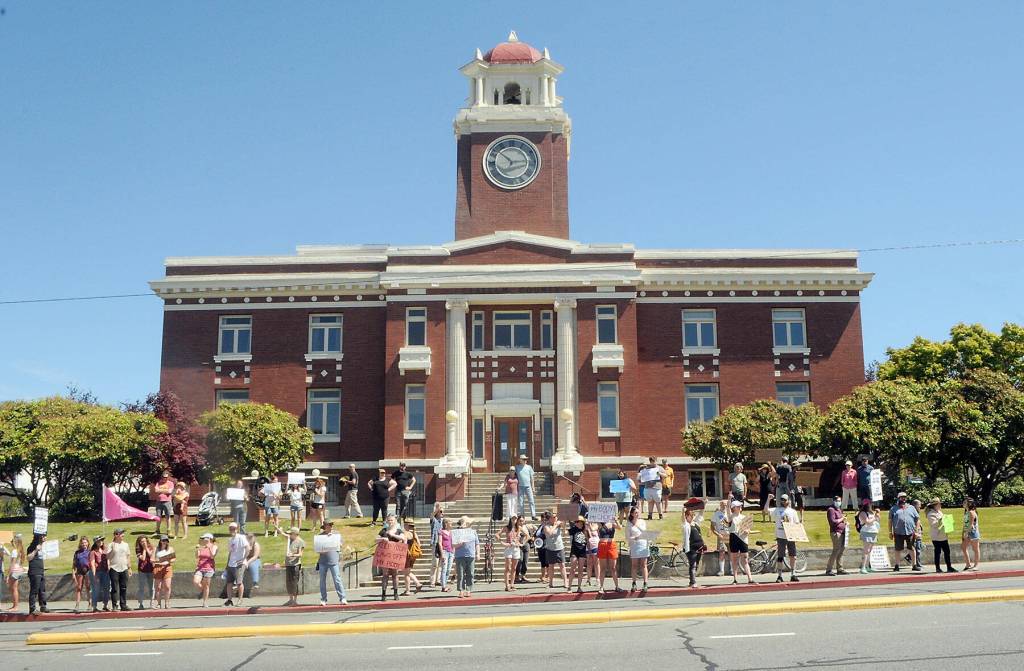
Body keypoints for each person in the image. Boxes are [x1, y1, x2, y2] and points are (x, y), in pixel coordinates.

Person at [317, 519, 347, 605]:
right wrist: (322, 550)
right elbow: (318, 549)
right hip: (323, 561)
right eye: (328, 525)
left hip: (333, 560)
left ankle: (342, 598)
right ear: (325, 526)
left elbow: (341, 545)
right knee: (322, 580)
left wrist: (335, 541)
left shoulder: (336, 534)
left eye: (331, 525)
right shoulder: (320, 536)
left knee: (337, 579)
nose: (330, 527)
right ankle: (323, 599)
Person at [772, 494, 800, 583]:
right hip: (781, 536)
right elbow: (765, 511)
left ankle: (793, 574)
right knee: (780, 556)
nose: (783, 501)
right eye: (782, 500)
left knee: (793, 555)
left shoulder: (793, 512)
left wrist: (797, 535)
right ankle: (779, 576)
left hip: (790, 536)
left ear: (788, 501)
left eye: (785, 500)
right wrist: (768, 500)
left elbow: (797, 524)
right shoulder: (777, 510)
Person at [888, 492, 920, 572]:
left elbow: (917, 519)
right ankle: (897, 565)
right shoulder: (893, 509)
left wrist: (916, 531)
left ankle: (914, 565)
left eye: (905, 497)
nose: (903, 499)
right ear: (898, 498)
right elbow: (890, 521)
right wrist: (890, 532)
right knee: (898, 549)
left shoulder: (911, 508)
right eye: (902, 497)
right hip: (898, 531)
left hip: (910, 531)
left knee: (911, 548)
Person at [725, 500, 754, 584]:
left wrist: (747, 531)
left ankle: (750, 578)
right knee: (734, 559)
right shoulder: (731, 517)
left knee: (745, 559)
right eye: (738, 506)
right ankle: (735, 579)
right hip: (734, 537)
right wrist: (729, 499)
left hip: (743, 539)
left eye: (740, 506)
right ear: (733, 508)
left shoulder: (744, 517)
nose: (740, 507)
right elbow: (727, 509)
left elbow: (748, 528)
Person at [223, 521, 251, 606]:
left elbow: (247, 548)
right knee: (229, 583)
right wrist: (227, 565)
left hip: (239, 564)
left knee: (239, 582)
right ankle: (229, 600)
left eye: (234, 529)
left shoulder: (241, 537)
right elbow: (230, 553)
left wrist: (243, 559)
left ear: (237, 529)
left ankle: (240, 599)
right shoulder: (230, 540)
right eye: (231, 529)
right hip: (231, 563)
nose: (232, 530)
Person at [926, 498, 957, 573]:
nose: (940, 505)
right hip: (936, 536)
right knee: (938, 552)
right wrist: (942, 519)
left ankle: (949, 567)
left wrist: (948, 521)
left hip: (943, 535)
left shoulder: (939, 512)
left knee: (947, 552)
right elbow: (934, 524)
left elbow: (944, 522)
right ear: (934, 505)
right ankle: (938, 568)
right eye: (939, 504)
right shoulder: (931, 514)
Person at [378, 514, 404, 601]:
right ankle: (383, 593)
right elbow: (376, 539)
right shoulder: (383, 530)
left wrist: (392, 535)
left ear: (395, 521)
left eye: (392, 520)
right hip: (386, 556)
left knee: (395, 574)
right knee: (385, 574)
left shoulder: (398, 530)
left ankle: (396, 593)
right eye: (389, 520)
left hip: (395, 556)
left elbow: (403, 538)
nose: (390, 522)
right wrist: (382, 539)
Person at [542, 509, 569, 591]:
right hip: (550, 549)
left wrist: (563, 522)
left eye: (556, 517)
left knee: (562, 566)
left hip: (559, 547)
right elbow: (549, 533)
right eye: (553, 517)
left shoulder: (558, 525)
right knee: (551, 566)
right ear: (550, 519)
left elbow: (564, 529)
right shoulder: (546, 526)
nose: (555, 518)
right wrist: (555, 525)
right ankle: (550, 583)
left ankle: (565, 582)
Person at [453, 516, 479, 598]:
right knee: (460, 574)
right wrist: (459, 544)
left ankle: (468, 590)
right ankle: (461, 590)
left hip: (470, 554)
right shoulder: (457, 532)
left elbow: (477, 543)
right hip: (460, 555)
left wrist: (478, 553)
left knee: (470, 573)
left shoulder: (473, 532)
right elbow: (453, 545)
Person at [106, 527, 132, 611]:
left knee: (123, 587)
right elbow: (107, 557)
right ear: (116, 535)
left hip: (124, 568)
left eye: (123, 533)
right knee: (114, 588)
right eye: (121, 533)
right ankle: (114, 605)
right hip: (114, 568)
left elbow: (128, 556)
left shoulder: (126, 544)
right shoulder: (111, 545)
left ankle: (123, 605)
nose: (123, 535)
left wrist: (129, 567)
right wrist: (112, 551)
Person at [596, 518, 623, 594]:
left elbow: (620, 527)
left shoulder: (612, 523)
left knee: (613, 567)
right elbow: (593, 528)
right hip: (602, 544)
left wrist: (616, 520)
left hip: (611, 544)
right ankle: (601, 587)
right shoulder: (599, 523)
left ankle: (617, 586)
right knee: (603, 568)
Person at [626, 506, 650, 592]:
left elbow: (645, 532)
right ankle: (634, 583)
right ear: (632, 514)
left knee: (644, 564)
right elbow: (627, 537)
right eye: (635, 513)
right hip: (634, 545)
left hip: (643, 544)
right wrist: (633, 538)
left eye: (638, 512)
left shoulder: (642, 521)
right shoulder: (629, 523)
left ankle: (645, 583)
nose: (637, 514)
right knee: (634, 565)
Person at [682, 507, 706, 588]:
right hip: (691, 548)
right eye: (689, 516)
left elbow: (701, 515)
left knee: (697, 564)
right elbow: (683, 520)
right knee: (693, 564)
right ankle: (693, 582)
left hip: (699, 547)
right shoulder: (686, 525)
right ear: (686, 516)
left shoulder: (695, 523)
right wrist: (683, 510)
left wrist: (704, 505)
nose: (691, 517)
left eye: (692, 515)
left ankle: (692, 580)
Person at [825, 495, 848, 576]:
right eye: (837, 501)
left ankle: (840, 568)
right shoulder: (831, 510)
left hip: (842, 532)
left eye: (840, 501)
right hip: (836, 532)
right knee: (836, 550)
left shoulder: (839, 510)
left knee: (841, 550)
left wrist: (845, 523)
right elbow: (833, 521)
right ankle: (829, 569)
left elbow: (840, 520)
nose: (839, 502)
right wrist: (842, 519)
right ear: (834, 501)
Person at [193, 532, 217, 607]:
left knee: (206, 585)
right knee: (196, 582)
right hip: (200, 568)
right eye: (202, 538)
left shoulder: (214, 546)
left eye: (204, 538)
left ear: (209, 539)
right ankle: (203, 591)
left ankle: (205, 602)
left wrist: (209, 548)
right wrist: (197, 549)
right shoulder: (201, 547)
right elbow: (197, 556)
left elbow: (212, 556)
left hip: (209, 568)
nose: (203, 539)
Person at [25, 533, 48, 614]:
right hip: (34, 572)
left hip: (41, 571)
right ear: (39, 537)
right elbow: (28, 558)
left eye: (45, 536)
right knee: (34, 590)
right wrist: (35, 550)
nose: (45, 538)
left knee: (42, 590)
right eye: (43, 536)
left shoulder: (42, 547)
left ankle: (43, 606)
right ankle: (32, 608)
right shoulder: (31, 547)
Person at [856, 499, 880, 573]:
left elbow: (877, 520)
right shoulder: (862, 513)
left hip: (873, 532)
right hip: (866, 532)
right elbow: (867, 522)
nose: (871, 505)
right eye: (869, 504)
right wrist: (874, 517)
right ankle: (863, 567)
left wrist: (877, 515)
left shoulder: (871, 512)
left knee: (870, 551)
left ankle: (868, 566)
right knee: (866, 551)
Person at [401, 520, 424, 595]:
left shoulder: (405, 533)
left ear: (406, 525)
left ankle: (413, 586)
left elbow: (404, 544)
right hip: (413, 555)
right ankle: (411, 587)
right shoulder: (414, 533)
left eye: (404, 524)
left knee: (406, 573)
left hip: (407, 555)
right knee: (407, 572)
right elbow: (419, 544)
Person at [284, 526, 305, 606]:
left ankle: (295, 600)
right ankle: (290, 599)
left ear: (295, 534)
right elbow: (283, 534)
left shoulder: (300, 542)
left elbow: (300, 554)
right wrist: (277, 528)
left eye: (291, 533)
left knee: (294, 582)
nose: (289, 535)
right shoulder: (290, 540)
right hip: (288, 564)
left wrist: (292, 555)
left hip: (295, 564)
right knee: (288, 582)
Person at [4, 534, 26, 612]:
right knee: (14, 589)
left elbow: (12, 564)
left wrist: (7, 575)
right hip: (18, 570)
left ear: (16, 541)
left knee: (13, 589)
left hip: (14, 571)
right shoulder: (21, 550)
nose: (12, 542)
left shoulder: (14, 551)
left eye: (13, 540)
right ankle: (14, 606)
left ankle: (15, 606)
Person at [152, 535, 175, 609]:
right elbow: (151, 559)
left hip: (167, 567)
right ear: (160, 541)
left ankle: (167, 602)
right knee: (158, 587)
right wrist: (159, 561)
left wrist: (169, 560)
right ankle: (158, 603)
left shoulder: (170, 549)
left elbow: (173, 559)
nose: (164, 542)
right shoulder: (156, 549)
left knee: (167, 586)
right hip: (158, 567)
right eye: (163, 540)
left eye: (166, 540)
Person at [90, 535, 111, 612]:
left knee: (106, 589)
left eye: (102, 540)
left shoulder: (105, 550)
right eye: (99, 541)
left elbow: (108, 559)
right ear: (95, 542)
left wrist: (109, 565)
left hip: (105, 572)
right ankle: (94, 606)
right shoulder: (93, 552)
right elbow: (92, 563)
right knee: (96, 589)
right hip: (98, 572)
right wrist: (94, 574)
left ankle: (105, 605)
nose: (101, 542)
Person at [568, 516, 589, 593]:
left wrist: (589, 550)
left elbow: (587, 540)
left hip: (582, 551)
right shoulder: (574, 529)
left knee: (580, 570)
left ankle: (579, 587)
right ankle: (569, 587)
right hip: (574, 550)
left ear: (582, 523)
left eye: (579, 522)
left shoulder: (585, 530)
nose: (578, 523)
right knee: (572, 568)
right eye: (577, 522)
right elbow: (567, 532)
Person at [72, 537, 92, 613]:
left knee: (88, 588)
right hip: (79, 572)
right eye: (82, 542)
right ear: (80, 543)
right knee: (79, 588)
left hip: (88, 571)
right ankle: (77, 605)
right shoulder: (77, 553)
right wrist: (73, 573)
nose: (84, 544)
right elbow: (74, 564)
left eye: (85, 542)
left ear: (88, 543)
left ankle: (90, 604)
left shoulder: (90, 552)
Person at [711, 500, 731, 577]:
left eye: (726, 505)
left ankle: (732, 569)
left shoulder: (729, 513)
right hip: (721, 535)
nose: (725, 506)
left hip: (729, 535)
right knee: (722, 552)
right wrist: (718, 534)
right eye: (723, 505)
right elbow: (712, 527)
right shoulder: (716, 514)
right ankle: (721, 570)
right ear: (720, 505)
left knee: (731, 552)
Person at [502, 517, 522, 591]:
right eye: (513, 519)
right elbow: (498, 534)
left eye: (515, 519)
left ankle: (512, 584)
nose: (514, 520)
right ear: (510, 519)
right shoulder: (507, 527)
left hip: (516, 548)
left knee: (514, 568)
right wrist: (503, 542)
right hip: (509, 548)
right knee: (508, 568)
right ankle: (507, 585)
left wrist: (522, 543)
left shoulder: (518, 528)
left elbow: (527, 535)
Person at [154, 470, 176, 535]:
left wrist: (160, 490)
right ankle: (157, 530)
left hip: (167, 501)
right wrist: (165, 490)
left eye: (166, 477)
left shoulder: (170, 483)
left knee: (168, 516)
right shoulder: (158, 483)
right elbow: (156, 490)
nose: (165, 478)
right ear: (162, 477)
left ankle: (168, 531)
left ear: (168, 477)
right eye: (164, 477)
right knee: (158, 516)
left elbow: (170, 491)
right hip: (159, 502)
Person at [429, 504, 445, 586]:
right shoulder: (434, 520)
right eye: (441, 512)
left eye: (443, 512)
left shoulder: (443, 521)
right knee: (435, 563)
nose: (442, 513)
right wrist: (437, 509)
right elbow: (431, 516)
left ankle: (438, 580)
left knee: (441, 563)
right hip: (435, 543)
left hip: (442, 544)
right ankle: (432, 581)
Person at [962, 498, 980, 571]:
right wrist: (963, 532)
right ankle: (968, 564)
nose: (963, 503)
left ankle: (976, 565)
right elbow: (965, 524)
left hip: (973, 533)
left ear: (969, 504)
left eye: (965, 502)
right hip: (967, 532)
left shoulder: (971, 512)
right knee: (963, 547)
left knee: (975, 549)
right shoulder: (967, 512)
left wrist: (966, 533)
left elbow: (971, 524)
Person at [438, 518, 455, 592]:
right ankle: (443, 586)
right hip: (444, 551)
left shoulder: (451, 532)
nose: (451, 525)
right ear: (446, 524)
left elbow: (453, 542)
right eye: (450, 523)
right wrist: (442, 554)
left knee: (448, 569)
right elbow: (439, 543)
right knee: (444, 569)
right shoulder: (441, 531)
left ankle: (445, 584)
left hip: (451, 552)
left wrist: (454, 552)